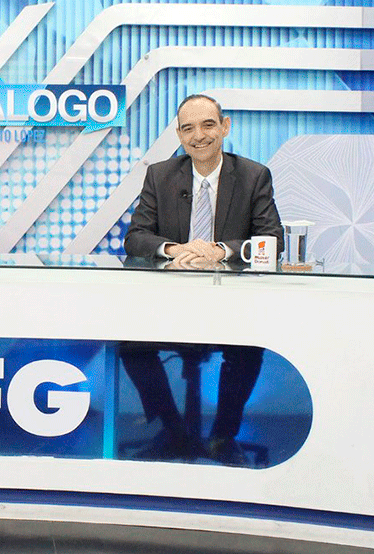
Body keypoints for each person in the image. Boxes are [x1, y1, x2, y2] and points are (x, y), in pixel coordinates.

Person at [121, 94, 284, 465]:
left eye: (208, 125)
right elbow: (136, 237)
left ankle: (223, 437)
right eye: (188, 128)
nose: (199, 136)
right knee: (132, 345)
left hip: (230, 304)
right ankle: (173, 431)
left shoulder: (254, 175)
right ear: (180, 136)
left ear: (225, 127)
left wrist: (220, 251)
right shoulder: (160, 175)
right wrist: (175, 249)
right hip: (170, 304)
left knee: (247, 349)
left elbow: (272, 240)